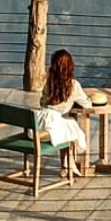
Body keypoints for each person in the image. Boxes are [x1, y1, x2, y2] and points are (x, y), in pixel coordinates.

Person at [37, 48, 92, 176]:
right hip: (51, 127)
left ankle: (66, 166)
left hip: (39, 123)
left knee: (67, 126)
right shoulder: (73, 85)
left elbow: (42, 102)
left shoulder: (49, 83)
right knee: (72, 128)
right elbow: (87, 104)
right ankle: (69, 165)